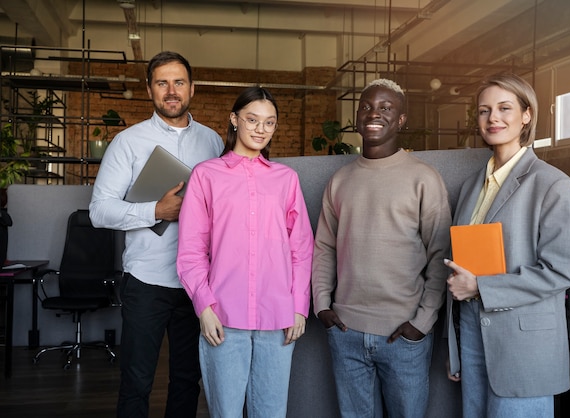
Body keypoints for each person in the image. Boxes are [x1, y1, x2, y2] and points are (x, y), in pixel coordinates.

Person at [89, 51, 224, 418]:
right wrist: (155, 211)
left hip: (197, 284)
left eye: (179, 82)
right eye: (162, 83)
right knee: (136, 381)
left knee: (186, 380)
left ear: (192, 88)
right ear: (150, 90)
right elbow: (99, 211)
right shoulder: (128, 142)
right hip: (146, 281)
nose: (171, 91)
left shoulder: (213, 143)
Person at [312, 78, 452, 418]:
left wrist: (423, 320)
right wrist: (322, 306)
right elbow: (324, 248)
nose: (374, 113)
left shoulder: (424, 178)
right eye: (366, 107)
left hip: (403, 335)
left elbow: (440, 255)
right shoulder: (340, 180)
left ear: (401, 120)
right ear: (358, 117)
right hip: (345, 332)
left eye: (386, 108)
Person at [445, 72, 570, 417]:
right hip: (473, 330)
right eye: (484, 111)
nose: (493, 118)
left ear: (527, 114)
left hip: (522, 341)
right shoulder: (472, 185)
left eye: (505, 108)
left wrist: (480, 286)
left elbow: (560, 271)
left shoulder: (552, 184)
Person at [176, 87, 314, 418]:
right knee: (226, 412)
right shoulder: (206, 176)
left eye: (270, 123)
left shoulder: (286, 179)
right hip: (223, 316)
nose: (260, 129)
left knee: (271, 411)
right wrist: (204, 307)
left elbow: (302, 248)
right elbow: (191, 250)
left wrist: (299, 307)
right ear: (235, 120)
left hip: (278, 317)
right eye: (252, 120)